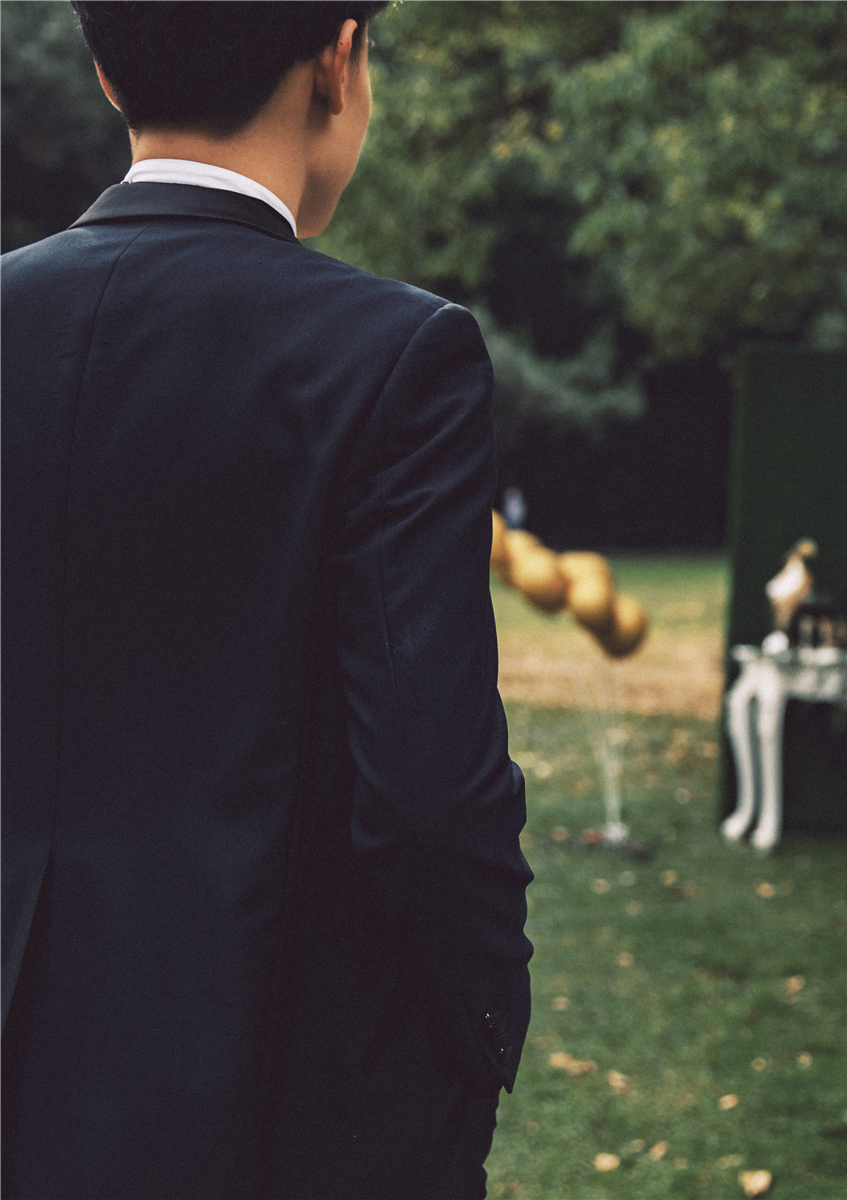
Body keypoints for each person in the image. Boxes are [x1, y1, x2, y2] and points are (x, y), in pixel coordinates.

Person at [1, 5, 533, 1197]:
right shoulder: (395, 357)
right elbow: (429, 797)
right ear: (339, 61)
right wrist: (481, 1027)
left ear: (105, 70)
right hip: (276, 1097)